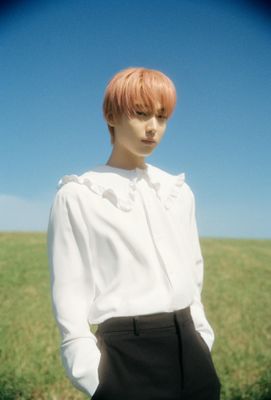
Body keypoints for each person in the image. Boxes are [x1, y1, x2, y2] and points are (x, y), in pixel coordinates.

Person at [47, 67, 221, 400]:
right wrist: (95, 377)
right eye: (141, 114)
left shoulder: (178, 193)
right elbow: (69, 295)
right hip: (126, 357)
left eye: (162, 116)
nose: (153, 127)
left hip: (191, 350)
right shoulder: (79, 195)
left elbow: (193, 271)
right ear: (110, 115)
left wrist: (201, 337)